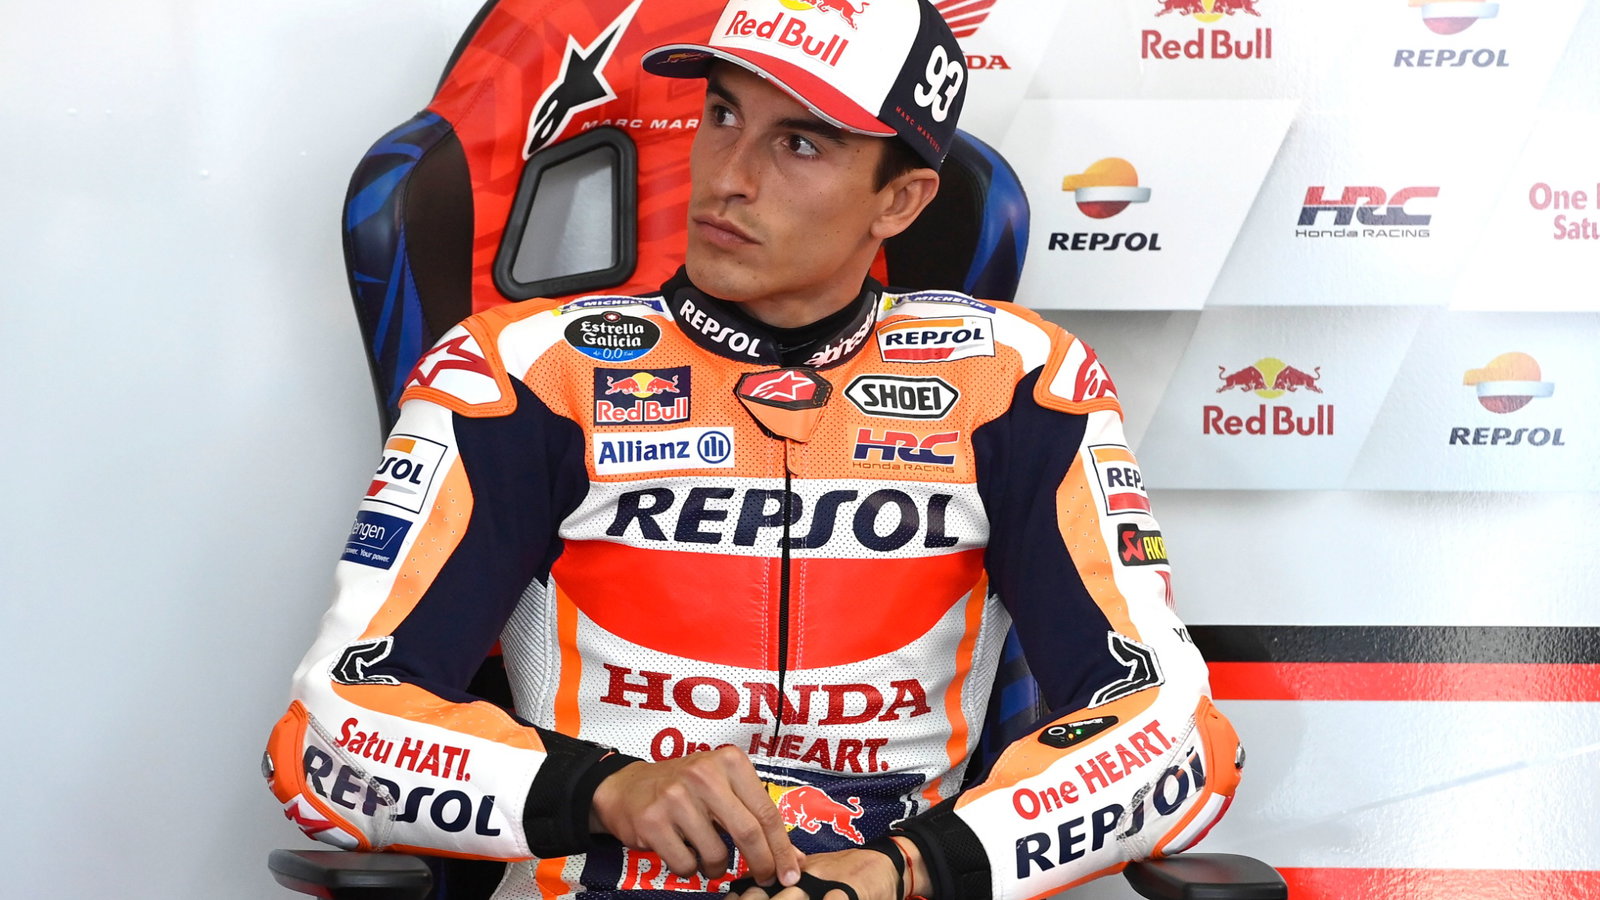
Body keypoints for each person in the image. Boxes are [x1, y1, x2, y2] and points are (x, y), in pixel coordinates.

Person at [263, 1, 1243, 898]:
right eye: (722, 115)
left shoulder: (1018, 381)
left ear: (899, 203)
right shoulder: (520, 371)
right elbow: (331, 732)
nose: (727, 177)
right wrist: (604, 789)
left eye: (799, 143)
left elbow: (1174, 737)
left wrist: (908, 869)